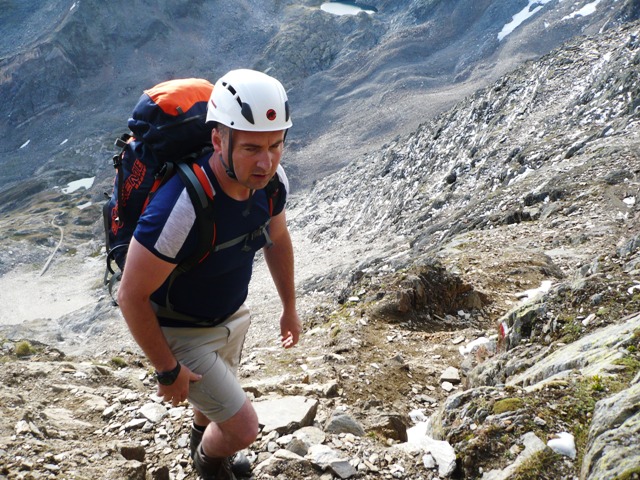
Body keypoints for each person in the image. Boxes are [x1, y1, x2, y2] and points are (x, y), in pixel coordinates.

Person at [118, 69, 302, 480]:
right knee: (243, 427)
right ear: (218, 139)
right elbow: (130, 295)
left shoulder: (272, 185)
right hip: (179, 330)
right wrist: (167, 370)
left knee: (212, 406)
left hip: (229, 318)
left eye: (276, 146)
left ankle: (200, 438)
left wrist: (289, 308)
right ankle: (208, 462)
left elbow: (278, 238)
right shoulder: (181, 206)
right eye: (252, 147)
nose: (266, 161)